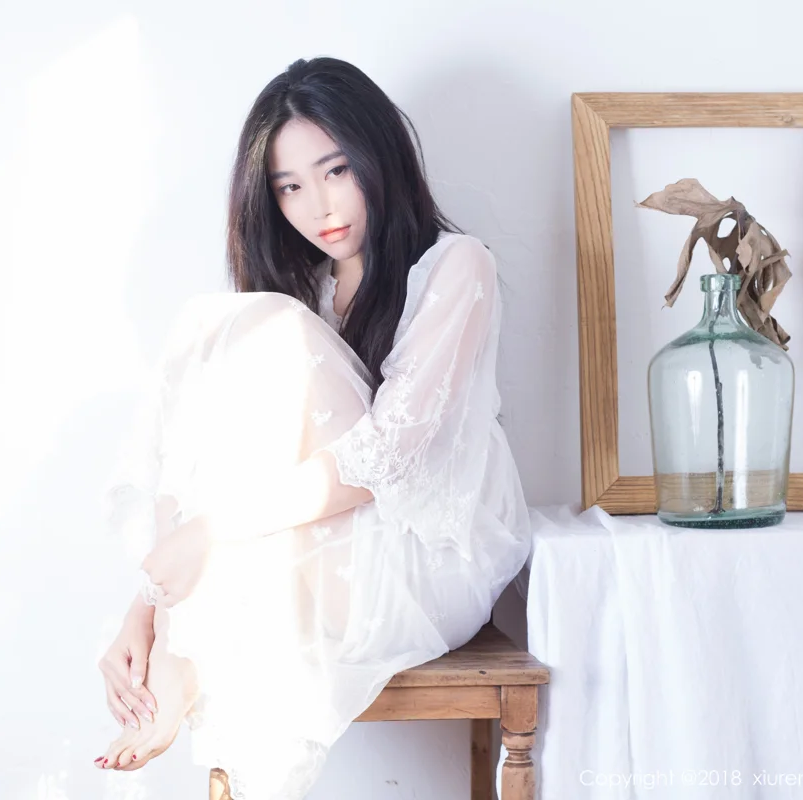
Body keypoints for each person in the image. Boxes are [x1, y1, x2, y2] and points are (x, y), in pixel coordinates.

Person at [93, 56, 531, 799]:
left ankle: (183, 660)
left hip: (431, 557)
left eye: (335, 170)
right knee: (217, 328)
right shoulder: (312, 289)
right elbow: (217, 458)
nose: (318, 204)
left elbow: (383, 461)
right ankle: (175, 650)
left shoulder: (458, 266)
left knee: (259, 325)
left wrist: (208, 535)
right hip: (332, 539)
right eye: (289, 186)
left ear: (378, 154)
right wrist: (147, 604)